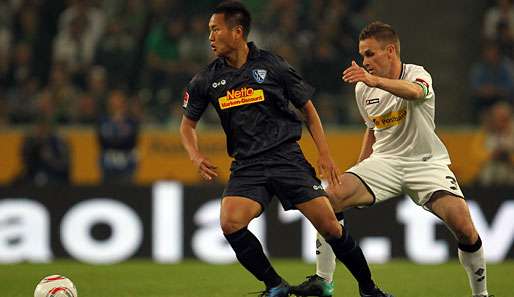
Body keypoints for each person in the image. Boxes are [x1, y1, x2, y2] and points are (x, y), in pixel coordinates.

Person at [179, 2, 392, 297]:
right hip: (247, 165)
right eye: (209, 31)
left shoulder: (272, 65)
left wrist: (325, 153)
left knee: (331, 226)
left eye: (215, 29)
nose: (210, 37)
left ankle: (369, 289)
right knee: (230, 223)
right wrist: (195, 154)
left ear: (237, 32)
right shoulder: (206, 79)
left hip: (286, 158)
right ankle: (275, 285)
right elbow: (187, 125)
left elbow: (307, 109)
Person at [293, 21, 492, 297]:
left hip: (425, 163)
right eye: (362, 55)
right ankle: (323, 281)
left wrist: (374, 80)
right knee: (329, 199)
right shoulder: (363, 89)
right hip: (385, 161)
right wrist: (360, 166)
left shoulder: (417, 74)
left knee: (465, 228)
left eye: (370, 54)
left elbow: (415, 93)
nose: (364, 61)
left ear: (390, 51)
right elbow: (372, 129)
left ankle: (481, 295)